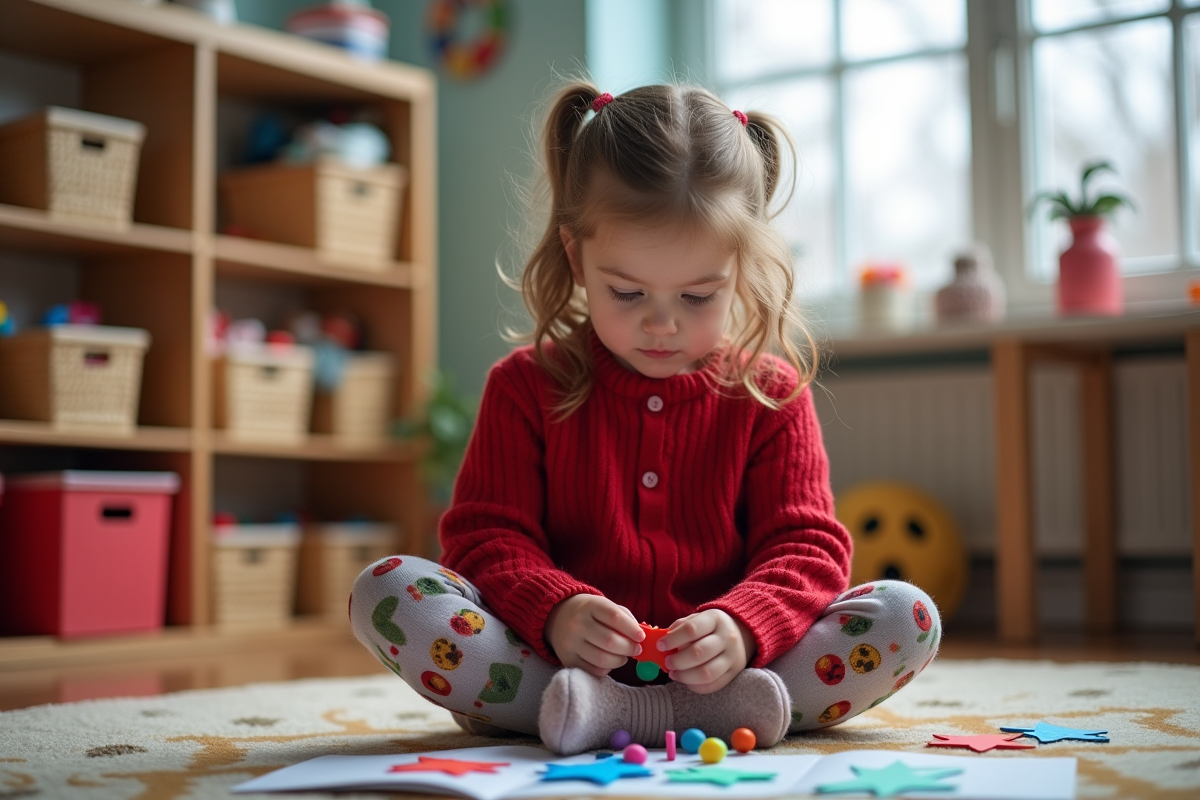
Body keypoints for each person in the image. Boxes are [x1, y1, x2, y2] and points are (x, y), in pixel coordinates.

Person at [349, 82, 941, 755]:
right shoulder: (523, 386)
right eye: (627, 292)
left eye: (698, 296)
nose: (662, 324)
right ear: (575, 256)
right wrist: (557, 610)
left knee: (907, 616)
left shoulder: (771, 395)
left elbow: (806, 549)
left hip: (736, 671)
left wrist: (743, 627)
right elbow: (486, 538)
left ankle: (606, 714)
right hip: (560, 666)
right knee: (388, 591)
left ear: (741, 270)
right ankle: (602, 705)